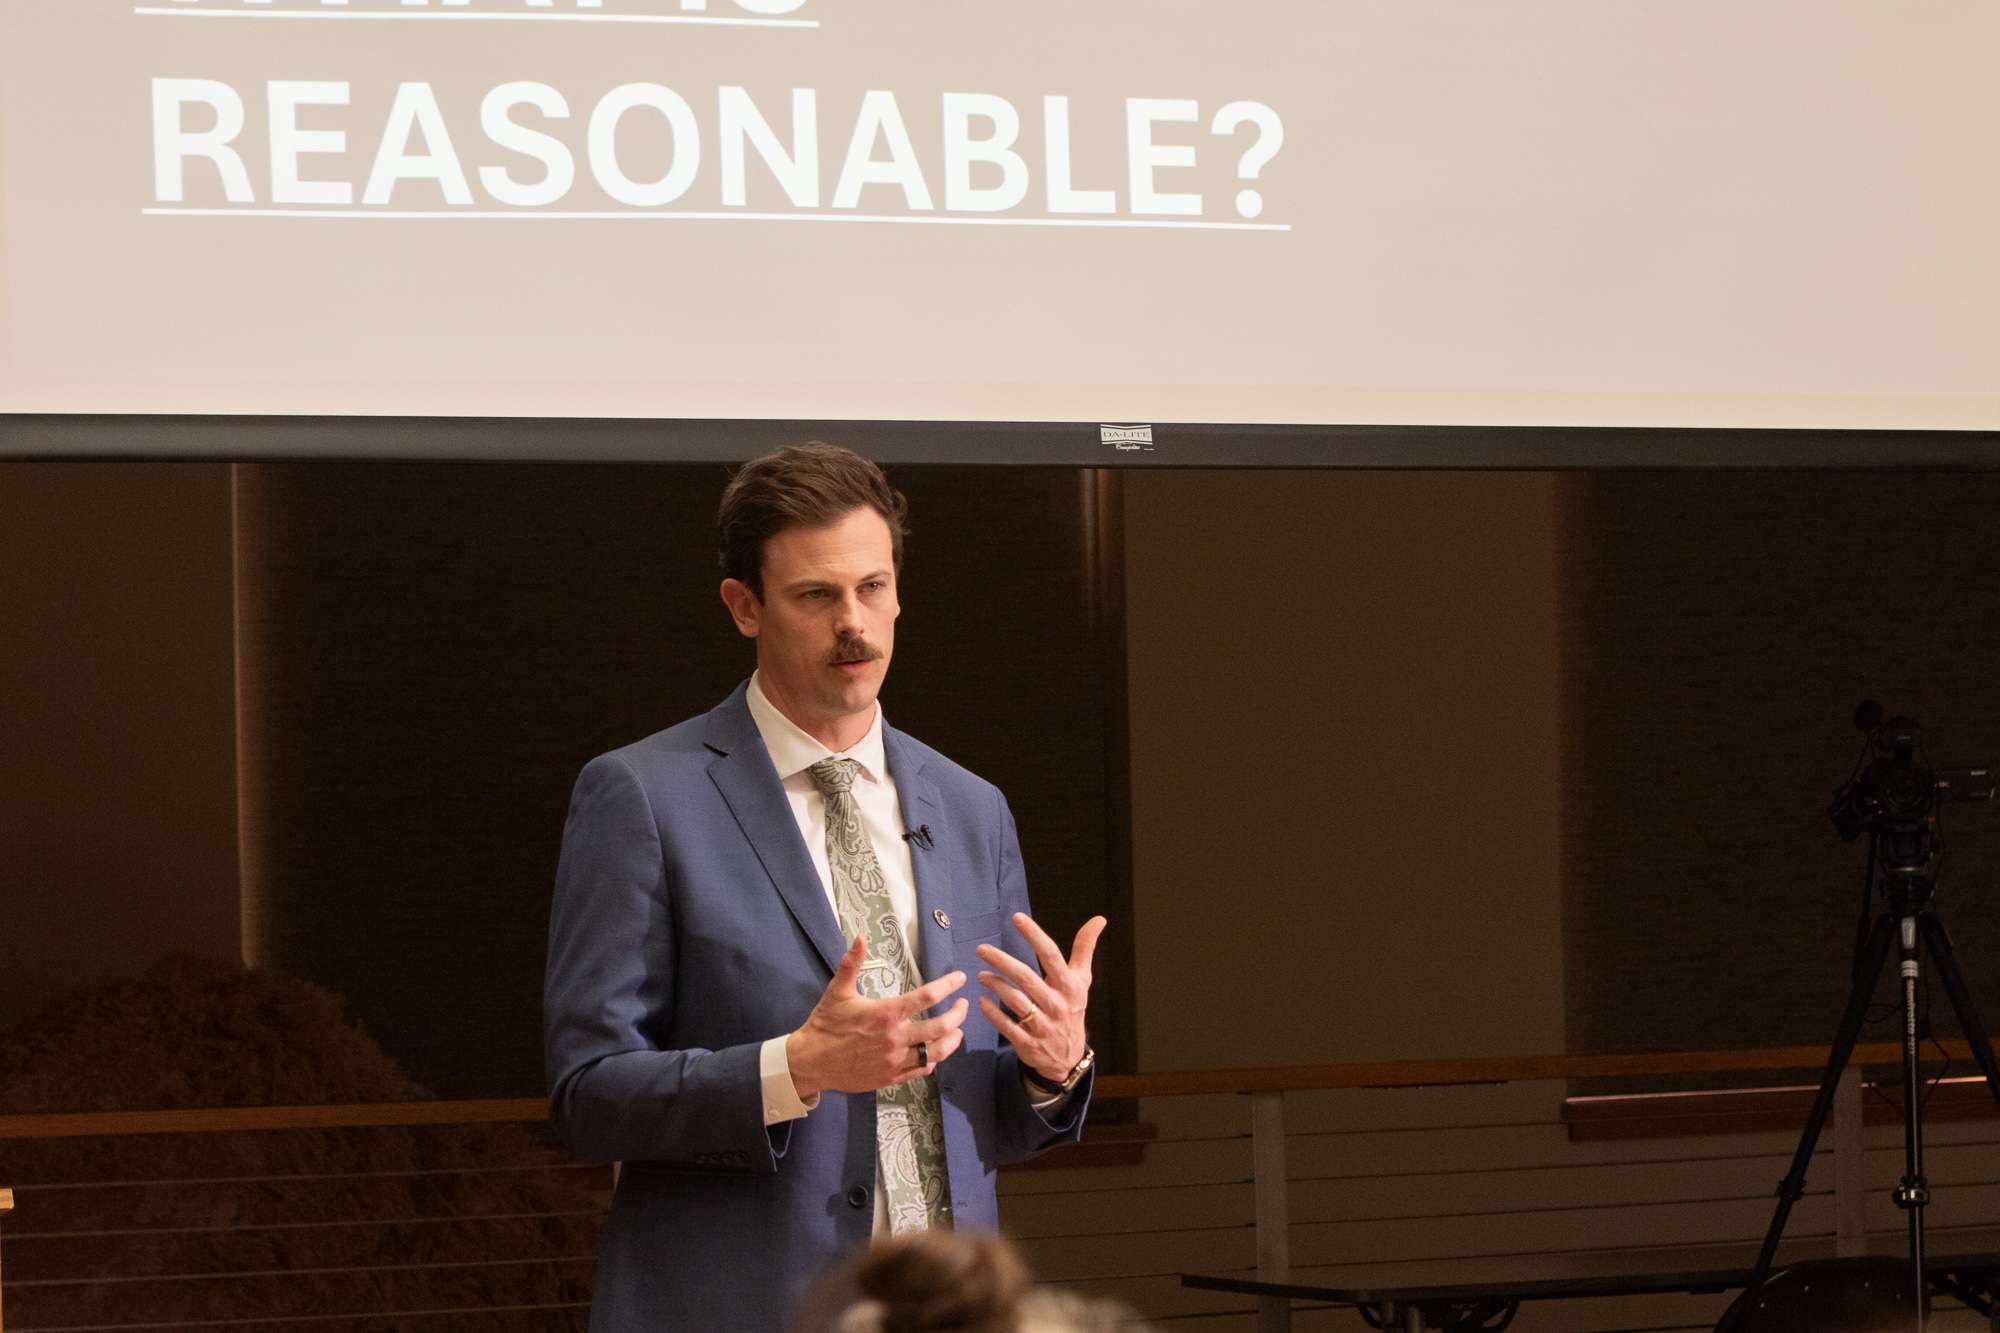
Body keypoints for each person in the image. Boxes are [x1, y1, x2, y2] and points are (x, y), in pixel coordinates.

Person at [544, 443, 1107, 1330]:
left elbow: (986, 1118)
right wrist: (792, 1068)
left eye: (873, 587)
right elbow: (587, 1096)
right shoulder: (643, 797)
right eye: (816, 595)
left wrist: (1053, 1066)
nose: (857, 624)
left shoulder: (972, 809)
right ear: (744, 606)